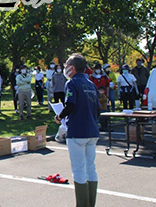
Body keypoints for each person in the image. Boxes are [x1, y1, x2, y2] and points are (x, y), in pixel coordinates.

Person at [54, 53, 99, 207]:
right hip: (92, 130)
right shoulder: (91, 84)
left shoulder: (72, 83)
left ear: (72, 68)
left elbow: (70, 105)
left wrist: (59, 116)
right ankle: (90, 203)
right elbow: (97, 107)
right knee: (90, 167)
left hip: (78, 131)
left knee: (78, 168)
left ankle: (82, 204)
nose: (65, 67)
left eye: (66, 65)